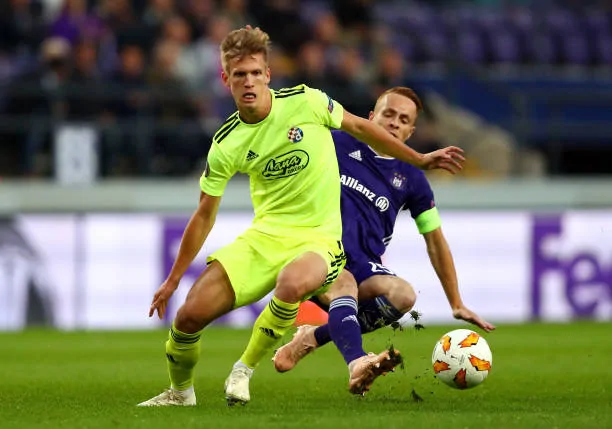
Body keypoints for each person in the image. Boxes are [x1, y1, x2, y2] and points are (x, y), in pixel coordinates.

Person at [137, 27, 465, 407]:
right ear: (226, 79)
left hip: (320, 238)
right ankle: (180, 393)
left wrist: (419, 159)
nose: (249, 81)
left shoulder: (307, 102)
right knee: (188, 317)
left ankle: (244, 369)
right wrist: (173, 279)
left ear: (268, 75)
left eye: (256, 73)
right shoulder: (226, 143)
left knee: (293, 283)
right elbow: (203, 215)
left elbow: (362, 127)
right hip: (265, 237)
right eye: (240, 74)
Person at [273, 87, 495, 377]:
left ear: (411, 131)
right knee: (345, 285)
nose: (394, 123)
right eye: (388, 114)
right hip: (318, 254)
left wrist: (456, 303)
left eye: (403, 120)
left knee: (403, 295)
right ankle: (357, 363)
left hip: (363, 263)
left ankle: (313, 337)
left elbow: (435, 240)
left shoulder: (413, 178)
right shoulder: (335, 142)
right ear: (370, 117)